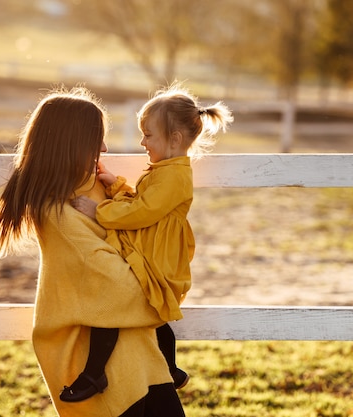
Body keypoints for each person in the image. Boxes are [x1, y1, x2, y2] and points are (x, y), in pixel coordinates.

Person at [0, 86, 186, 417]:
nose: (104, 147)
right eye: (96, 138)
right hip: (115, 375)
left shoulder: (92, 186)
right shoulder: (59, 216)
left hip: (142, 360)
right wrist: (165, 293)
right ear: (71, 143)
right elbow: (125, 291)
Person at [62, 84, 233, 402]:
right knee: (151, 311)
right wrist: (115, 185)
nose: (142, 142)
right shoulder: (166, 170)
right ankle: (170, 367)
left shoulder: (174, 177)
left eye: (148, 135)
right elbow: (144, 202)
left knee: (116, 303)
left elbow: (142, 211)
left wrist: (99, 212)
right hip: (151, 252)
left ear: (175, 139)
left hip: (156, 257)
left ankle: (94, 372)